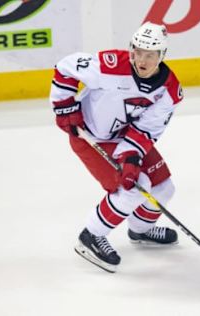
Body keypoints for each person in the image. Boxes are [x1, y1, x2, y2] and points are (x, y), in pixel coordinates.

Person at [49, 22, 184, 273]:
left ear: (162, 56)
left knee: (164, 187)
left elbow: (147, 129)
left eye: (150, 54)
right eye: (138, 51)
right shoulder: (110, 65)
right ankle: (90, 236)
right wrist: (65, 106)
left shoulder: (169, 91)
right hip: (89, 136)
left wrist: (130, 157)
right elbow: (66, 68)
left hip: (125, 137)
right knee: (133, 189)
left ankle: (140, 229)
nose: (142, 59)